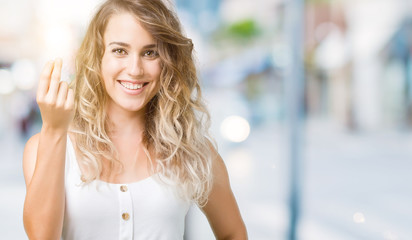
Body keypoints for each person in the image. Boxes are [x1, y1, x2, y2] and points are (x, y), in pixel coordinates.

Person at [22, 0, 247, 239]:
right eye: (120, 50)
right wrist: (55, 130)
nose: (135, 69)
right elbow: (42, 236)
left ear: (167, 62)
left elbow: (234, 233)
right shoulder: (46, 146)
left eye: (150, 53)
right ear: (98, 56)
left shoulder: (192, 150)